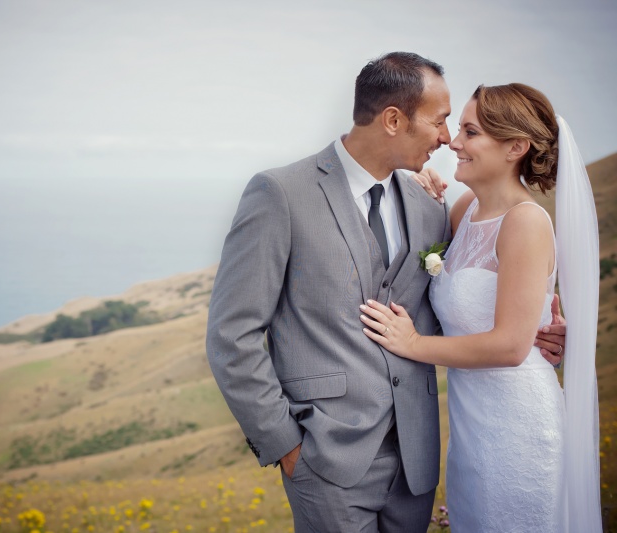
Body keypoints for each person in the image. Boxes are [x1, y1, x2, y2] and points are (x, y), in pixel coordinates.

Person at [206, 52, 566, 533]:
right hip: (324, 459)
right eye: (441, 122)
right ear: (394, 119)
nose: (447, 139)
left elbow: (459, 309)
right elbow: (233, 334)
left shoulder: (430, 209)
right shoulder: (281, 194)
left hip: (419, 465)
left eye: (462, 129)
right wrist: (286, 446)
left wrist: (539, 337)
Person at [360, 83, 600, 532]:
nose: (453, 142)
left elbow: (510, 346)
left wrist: (413, 344)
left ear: (516, 147)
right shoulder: (465, 209)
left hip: (518, 426)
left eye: (470, 132)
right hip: (472, 430)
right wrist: (418, 183)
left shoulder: (526, 222)